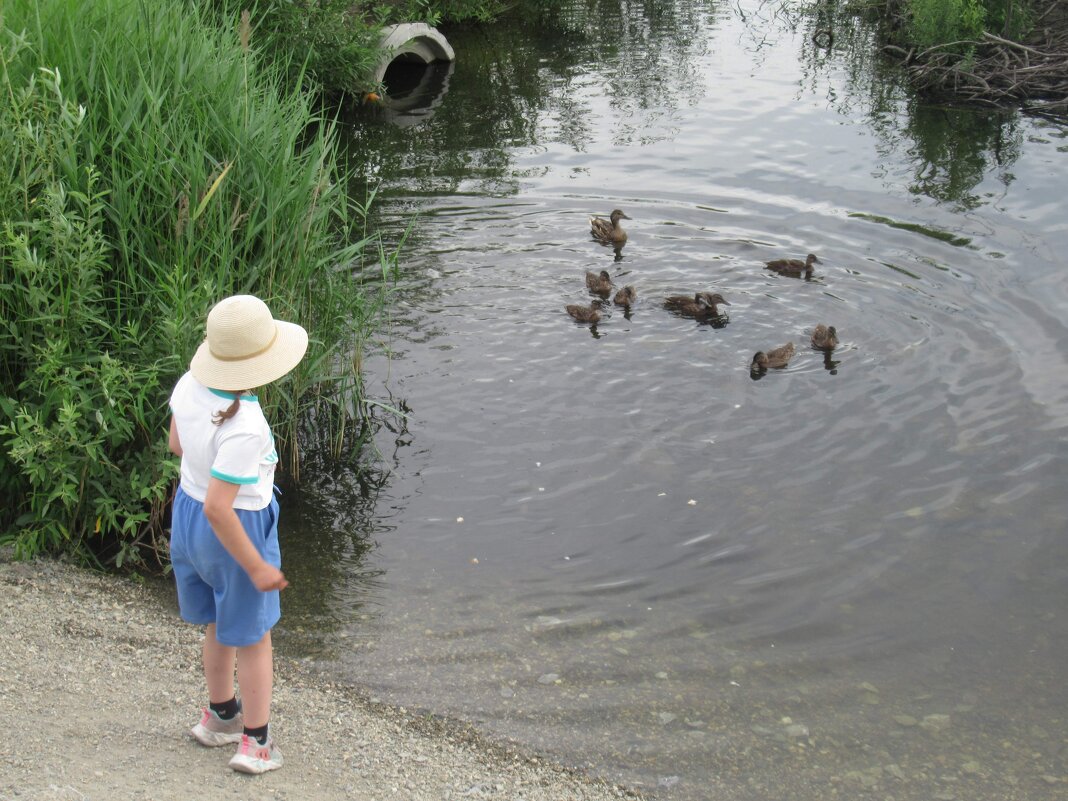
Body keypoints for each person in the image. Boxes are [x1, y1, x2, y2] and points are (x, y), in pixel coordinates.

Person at [167, 294, 308, 774]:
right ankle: (256, 744)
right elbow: (220, 508)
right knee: (254, 636)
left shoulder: (189, 384)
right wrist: (257, 565)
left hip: (185, 519)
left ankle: (220, 715)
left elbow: (176, 444)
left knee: (217, 619)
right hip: (231, 527)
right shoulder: (246, 424)